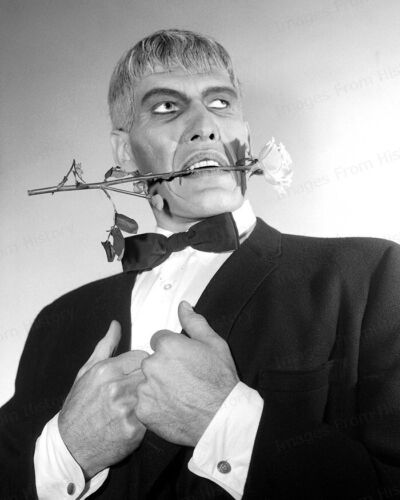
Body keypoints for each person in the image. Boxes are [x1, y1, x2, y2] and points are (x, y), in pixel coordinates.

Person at [1, 28, 400, 500]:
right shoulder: (56, 323)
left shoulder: (372, 276)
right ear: (125, 151)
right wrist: (66, 452)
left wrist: (225, 421)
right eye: (167, 107)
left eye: (220, 103)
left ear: (245, 133)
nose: (205, 126)